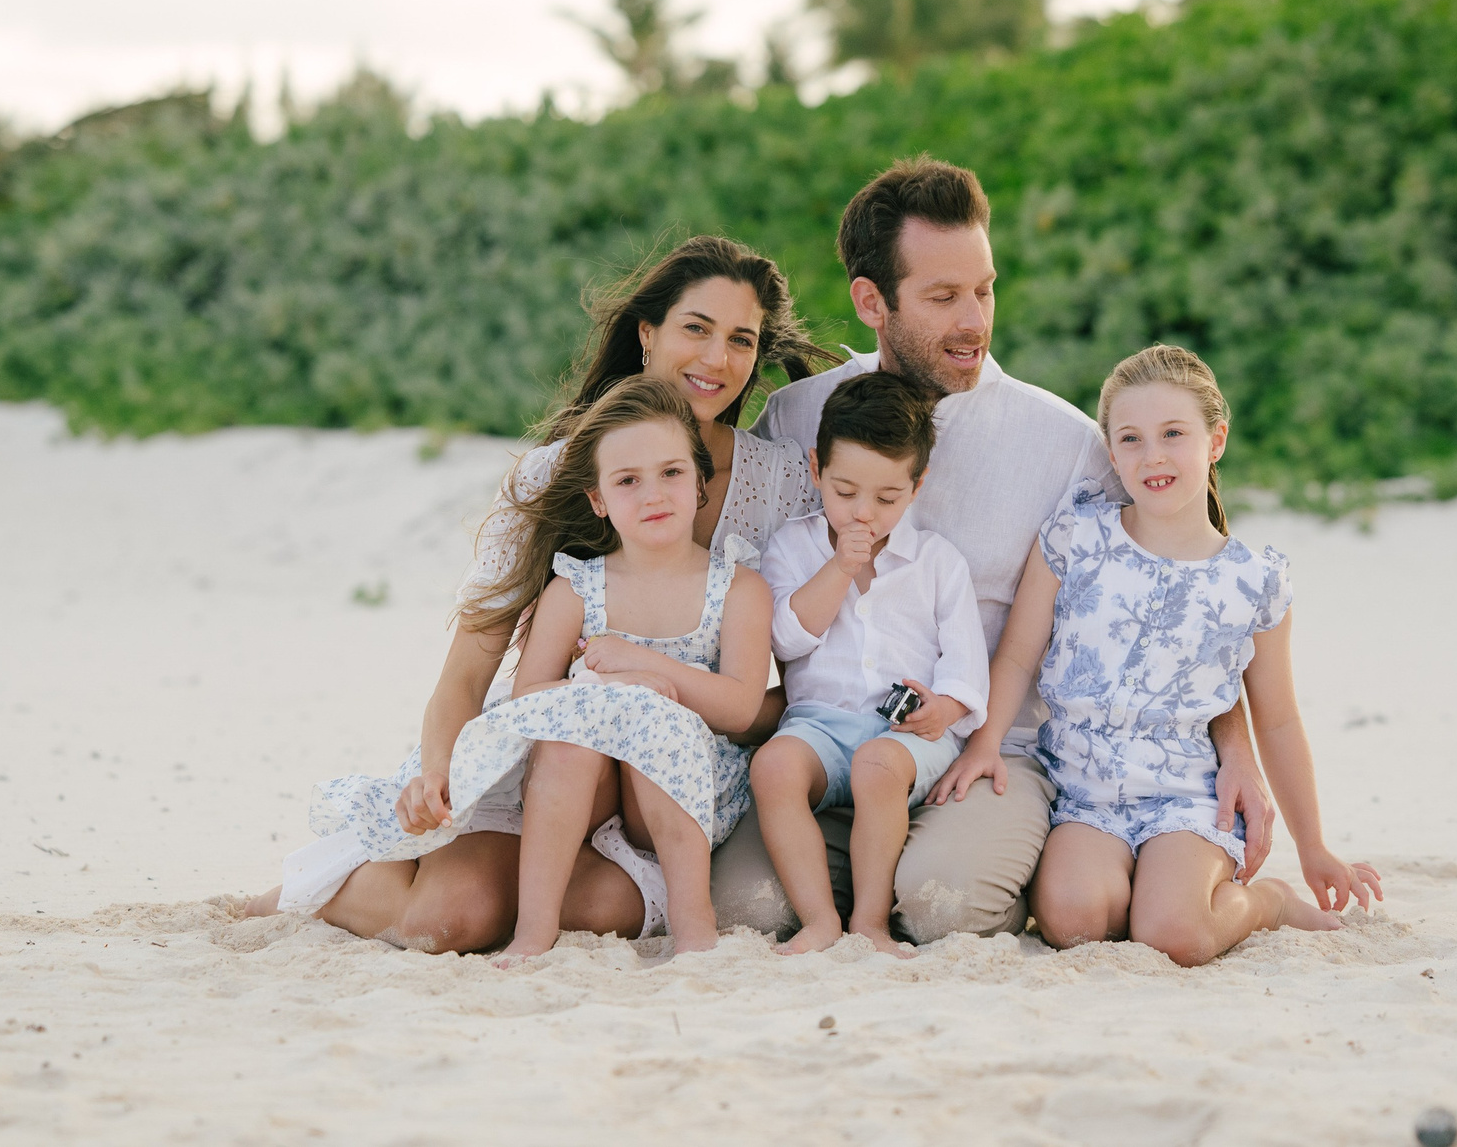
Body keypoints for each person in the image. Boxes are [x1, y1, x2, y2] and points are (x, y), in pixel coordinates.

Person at [709, 158, 1276, 944]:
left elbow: (1176, 595)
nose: (973, 319)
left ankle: (954, 869)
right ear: (872, 302)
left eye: (984, 289)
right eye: (943, 298)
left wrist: (1234, 745)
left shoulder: (1066, 444)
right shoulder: (799, 422)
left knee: (944, 908)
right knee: (746, 912)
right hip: (826, 740)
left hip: (985, 754)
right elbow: (732, 592)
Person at [240, 236, 830, 951]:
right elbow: (469, 673)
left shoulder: (783, 488)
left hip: (669, 782)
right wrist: (439, 771)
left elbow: (800, 686)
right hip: (549, 755)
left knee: (601, 908)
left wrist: (662, 689)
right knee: (448, 923)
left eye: (742, 340)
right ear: (647, 335)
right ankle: (331, 882)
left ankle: (482, 889)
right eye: (696, 329)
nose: (716, 360)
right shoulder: (554, 476)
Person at [939, 345, 1381, 964]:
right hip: (1082, 793)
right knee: (1074, 921)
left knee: (1175, 935)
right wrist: (984, 744)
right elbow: (1015, 658)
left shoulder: (1254, 581)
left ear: (1216, 440)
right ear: (1111, 452)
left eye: (1174, 433)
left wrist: (1314, 848)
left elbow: (1278, 719)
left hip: (1190, 798)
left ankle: (1267, 902)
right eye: (1131, 439)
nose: (1153, 456)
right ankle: (1136, 889)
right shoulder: (1076, 537)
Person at [471, 376, 773, 959]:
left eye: (671, 473)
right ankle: (534, 932)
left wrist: (645, 668)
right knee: (568, 737)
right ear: (598, 500)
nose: (653, 494)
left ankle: (694, 927)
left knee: (652, 714)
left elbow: (739, 707)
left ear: (700, 481)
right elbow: (528, 696)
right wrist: (623, 684)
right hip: (589, 784)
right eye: (628, 481)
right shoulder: (577, 588)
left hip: (688, 787)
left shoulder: (738, 586)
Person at [753, 372, 988, 957]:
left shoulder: (937, 561)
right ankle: (818, 920)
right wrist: (836, 568)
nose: (863, 513)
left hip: (904, 736)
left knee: (879, 765)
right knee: (775, 768)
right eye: (845, 492)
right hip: (818, 725)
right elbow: (784, 640)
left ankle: (870, 921)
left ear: (916, 485)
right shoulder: (792, 545)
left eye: (886, 499)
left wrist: (945, 707)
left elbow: (966, 662)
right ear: (816, 470)